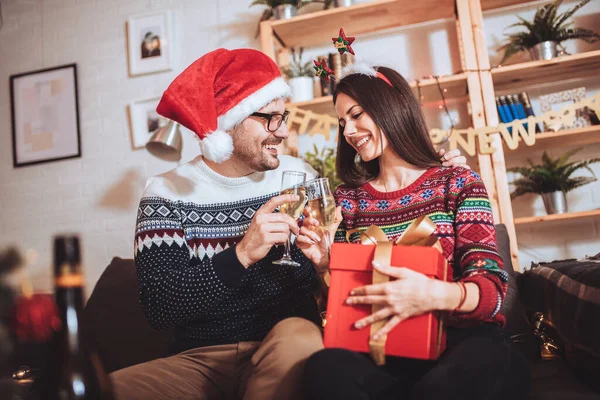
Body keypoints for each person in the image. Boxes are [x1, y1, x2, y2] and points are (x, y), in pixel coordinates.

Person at [111, 49, 468, 400]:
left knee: (299, 337)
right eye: (271, 119)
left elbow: (372, 209)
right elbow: (159, 307)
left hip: (288, 342)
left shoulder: (299, 177)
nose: (282, 132)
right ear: (228, 120)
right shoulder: (166, 193)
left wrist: (434, 169)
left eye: (284, 118)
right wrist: (242, 254)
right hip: (200, 359)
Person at [296, 63, 531, 400]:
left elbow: (492, 290)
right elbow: (345, 301)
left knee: (465, 375)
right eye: (342, 122)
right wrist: (323, 264)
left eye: (357, 114)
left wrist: (433, 295)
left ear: (390, 107)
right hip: (381, 349)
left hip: (461, 344)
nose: (348, 130)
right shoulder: (347, 200)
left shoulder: (457, 182)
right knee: (324, 367)